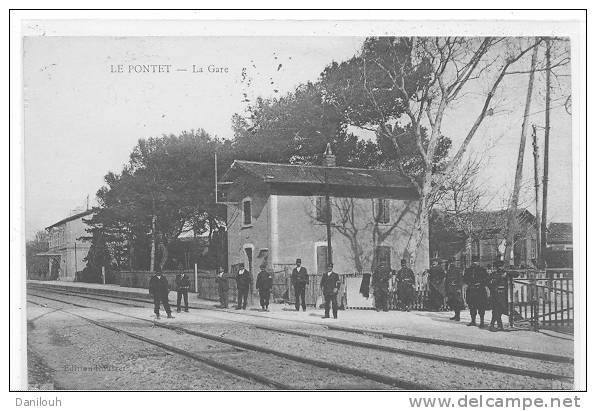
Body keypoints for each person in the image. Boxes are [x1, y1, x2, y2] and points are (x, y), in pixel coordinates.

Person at [463, 255, 489, 328]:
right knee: (472, 306)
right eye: (474, 262)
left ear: (478, 262)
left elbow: (487, 279)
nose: (475, 263)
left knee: (481, 307)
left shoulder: (482, 270)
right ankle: (473, 321)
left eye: (476, 262)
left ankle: (482, 322)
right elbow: (465, 279)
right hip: (472, 290)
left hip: (480, 290)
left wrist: (480, 283)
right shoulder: (468, 270)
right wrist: (470, 283)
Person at [488, 260, 508, 331]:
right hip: (495, 294)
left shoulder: (505, 274)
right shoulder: (493, 274)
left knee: (499, 310)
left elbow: (515, 274)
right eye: (499, 266)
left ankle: (498, 325)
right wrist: (493, 289)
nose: (500, 268)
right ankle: (493, 325)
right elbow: (489, 283)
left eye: (501, 266)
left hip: (503, 295)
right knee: (496, 310)